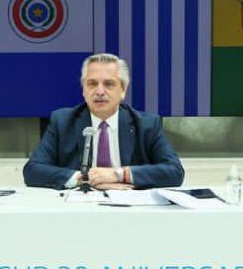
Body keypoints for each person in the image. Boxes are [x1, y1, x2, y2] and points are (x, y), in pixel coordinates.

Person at [23, 53, 184, 190]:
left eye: (108, 84)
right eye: (92, 84)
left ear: (123, 90)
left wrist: (119, 174)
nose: (99, 91)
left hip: (131, 209)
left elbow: (175, 172)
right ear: (83, 90)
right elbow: (32, 171)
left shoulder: (146, 124)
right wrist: (85, 178)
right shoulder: (63, 121)